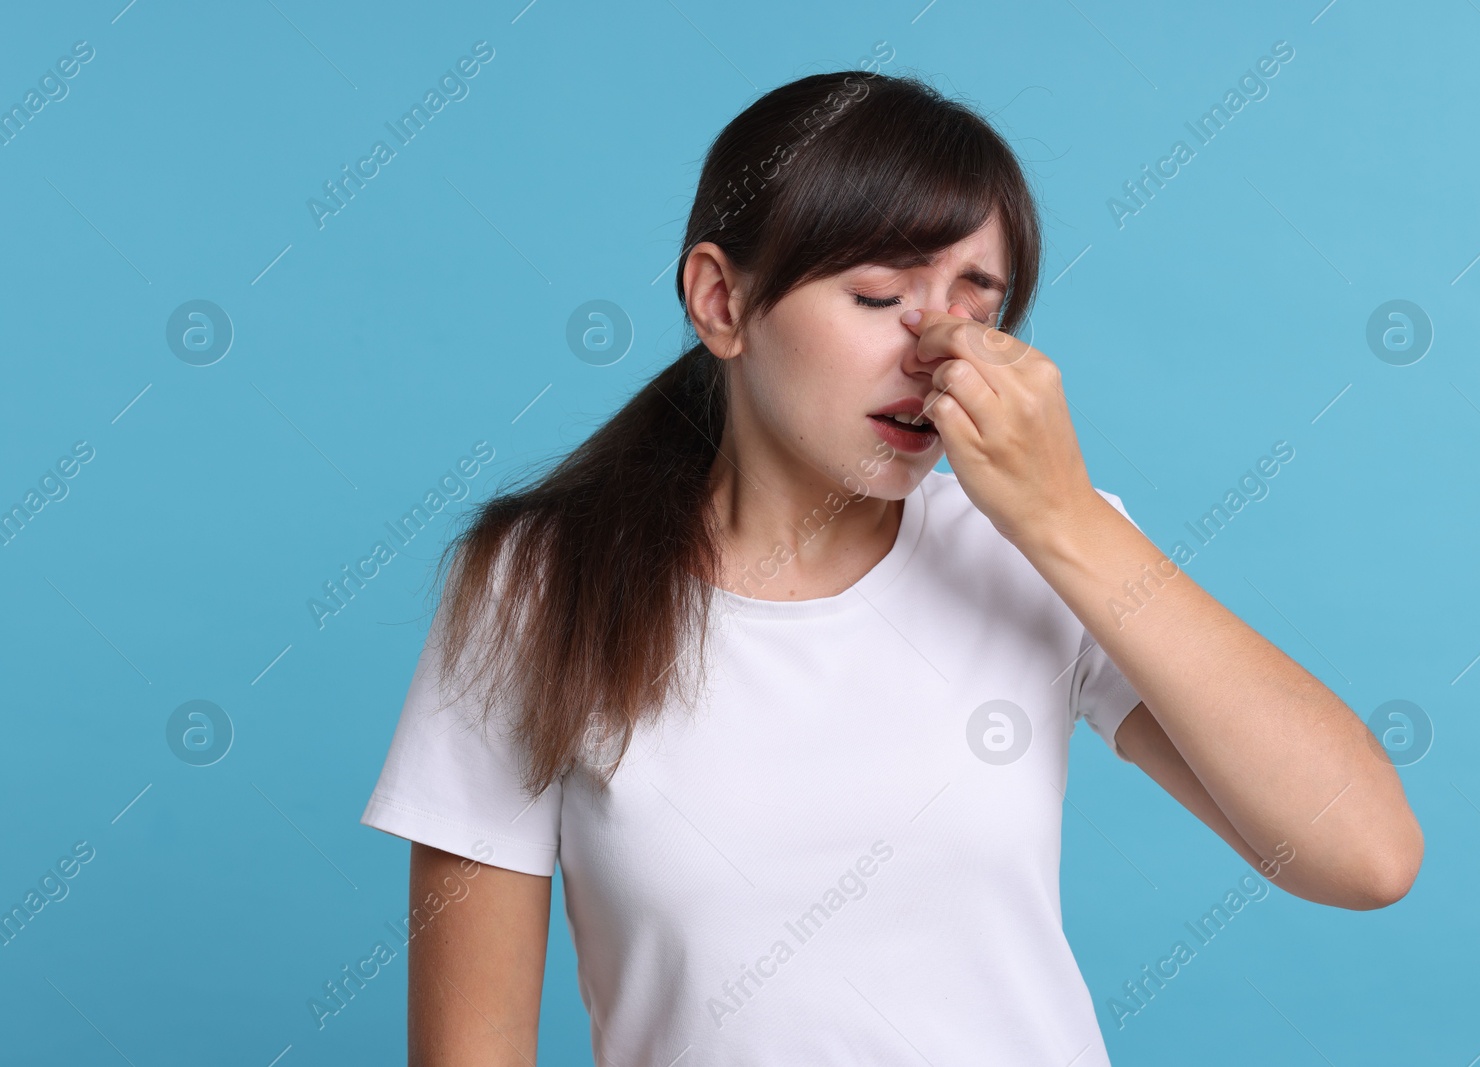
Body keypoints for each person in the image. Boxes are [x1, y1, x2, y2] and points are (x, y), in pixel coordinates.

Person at [359, 68, 1424, 1065]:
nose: (938, 349)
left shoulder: (1043, 545)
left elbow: (1365, 855)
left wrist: (1063, 520)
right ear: (720, 302)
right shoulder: (539, 584)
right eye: (879, 297)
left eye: (978, 300)